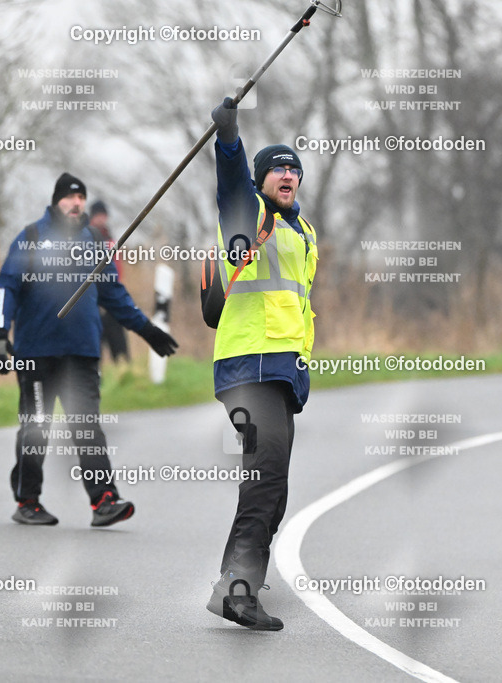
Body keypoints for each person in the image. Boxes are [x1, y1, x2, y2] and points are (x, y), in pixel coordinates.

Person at [0, 173, 178, 527]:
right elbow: (6, 288)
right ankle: (27, 500)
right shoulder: (31, 238)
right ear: (56, 201)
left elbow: (115, 295)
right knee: (36, 427)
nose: (77, 204)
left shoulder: (93, 242)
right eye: (70, 198)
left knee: (87, 427)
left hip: (82, 353)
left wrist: (147, 330)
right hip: (36, 354)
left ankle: (104, 500)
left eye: (82, 198)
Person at [204, 98, 318, 631]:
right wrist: (230, 139)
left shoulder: (303, 232)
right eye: (277, 167)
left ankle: (238, 583)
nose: (288, 173)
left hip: (280, 373)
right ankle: (238, 591)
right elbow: (230, 184)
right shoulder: (249, 215)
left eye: (294, 167)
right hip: (248, 367)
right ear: (261, 179)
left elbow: (298, 304)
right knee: (265, 481)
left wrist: (302, 367)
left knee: (274, 489)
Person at [89, 200, 131, 363]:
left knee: (119, 343)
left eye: (103, 216)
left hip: (111, 298)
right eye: (97, 216)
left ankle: (124, 373)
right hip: (92, 299)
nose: (100, 219)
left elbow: (118, 270)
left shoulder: (111, 241)